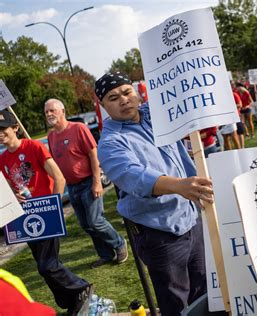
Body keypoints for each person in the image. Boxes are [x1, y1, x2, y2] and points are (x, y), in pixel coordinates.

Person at [95, 72, 212, 315]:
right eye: (113, 97)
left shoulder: (155, 116)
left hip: (192, 218)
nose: (124, 100)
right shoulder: (110, 142)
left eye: (127, 92)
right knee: (175, 302)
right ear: (103, 105)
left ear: (136, 92)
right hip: (160, 234)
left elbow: (180, 98)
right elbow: (132, 175)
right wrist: (179, 185)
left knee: (205, 291)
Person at [0, 110, 92, 315]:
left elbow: (59, 178)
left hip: (46, 214)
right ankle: (71, 301)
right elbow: (8, 189)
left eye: (3, 128)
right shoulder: (3, 158)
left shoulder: (33, 146)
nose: (0, 133)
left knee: (47, 265)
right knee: (45, 265)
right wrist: (14, 197)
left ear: (15, 128)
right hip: (26, 218)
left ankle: (81, 289)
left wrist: (54, 207)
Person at [44, 98, 128, 269]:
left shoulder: (78, 128)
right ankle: (105, 254)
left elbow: (93, 154)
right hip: (72, 187)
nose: (49, 114)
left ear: (63, 111)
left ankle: (119, 244)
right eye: (46, 112)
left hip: (88, 182)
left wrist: (97, 182)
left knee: (96, 221)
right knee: (85, 224)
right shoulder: (51, 136)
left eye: (52, 110)